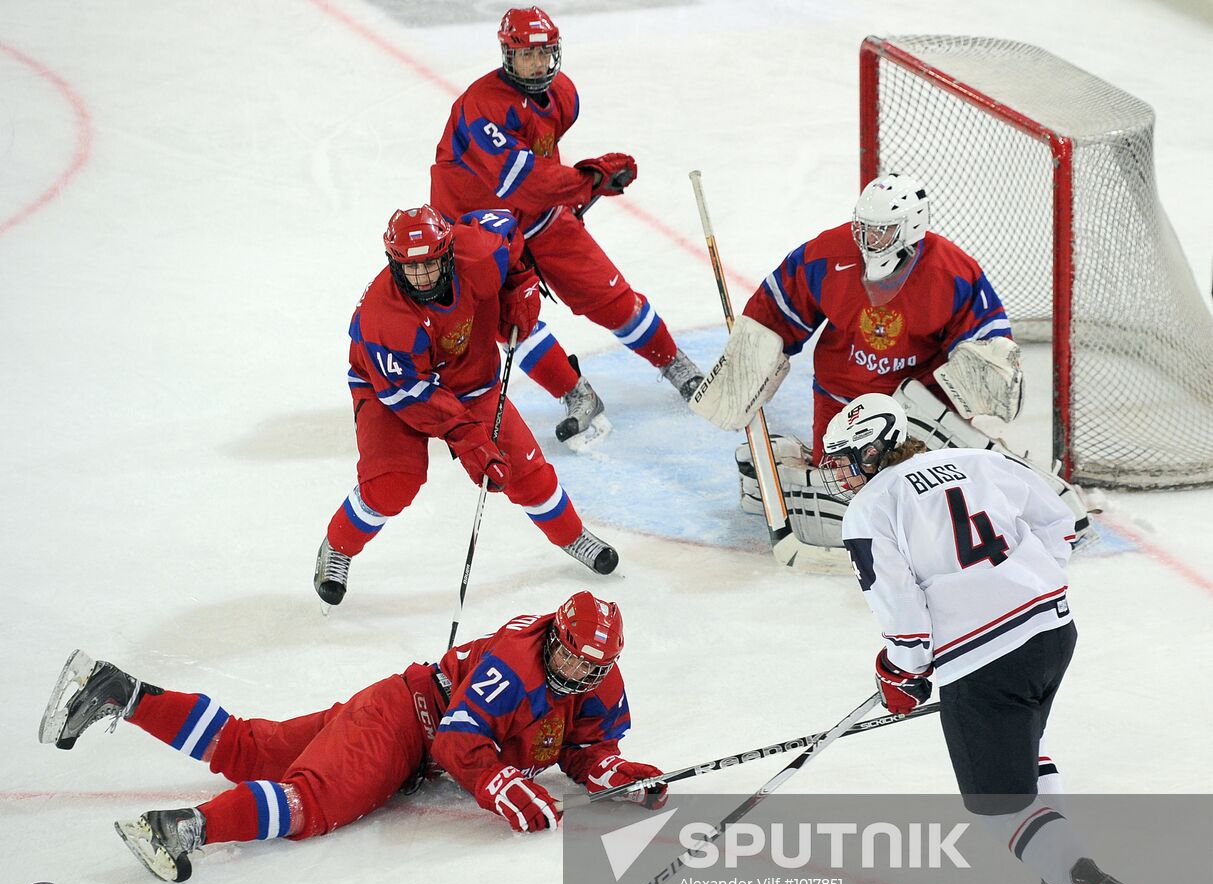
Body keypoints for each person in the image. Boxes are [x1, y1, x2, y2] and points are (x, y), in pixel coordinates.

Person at [819, 392, 1169, 884]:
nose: (838, 471)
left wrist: (902, 672)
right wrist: (1029, 583)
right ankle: (1060, 877)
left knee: (998, 803)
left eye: (843, 458)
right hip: (1053, 632)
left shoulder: (871, 508)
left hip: (986, 663)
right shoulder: (971, 459)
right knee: (1023, 751)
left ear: (872, 449)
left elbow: (901, 610)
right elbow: (1063, 514)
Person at [38, 592, 667, 882]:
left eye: (594, 666)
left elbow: (586, 745)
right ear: (555, 636)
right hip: (405, 727)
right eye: (574, 659)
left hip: (395, 705)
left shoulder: (594, 679)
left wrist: (612, 771)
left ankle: (116, 690)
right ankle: (179, 830)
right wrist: (497, 781)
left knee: (248, 749)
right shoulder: (518, 662)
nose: (580, 673)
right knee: (312, 802)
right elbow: (457, 741)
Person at [691, 173, 1087, 549]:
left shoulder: (949, 271)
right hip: (843, 398)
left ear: (912, 227)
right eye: (863, 227)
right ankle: (776, 463)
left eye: (881, 230)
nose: (868, 238)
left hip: (918, 406)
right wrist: (751, 355)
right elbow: (777, 308)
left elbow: (985, 334)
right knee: (844, 503)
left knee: (935, 501)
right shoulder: (826, 255)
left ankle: (1026, 489)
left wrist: (988, 365)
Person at [313, 204, 618, 607]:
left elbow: (510, 232)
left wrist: (520, 287)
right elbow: (417, 399)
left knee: (527, 474)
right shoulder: (384, 319)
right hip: (392, 392)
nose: (421, 277)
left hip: (473, 378)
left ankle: (573, 535)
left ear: (448, 251)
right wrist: (473, 444)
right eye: (410, 268)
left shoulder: (478, 252)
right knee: (392, 482)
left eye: (430, 264)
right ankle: (338, 548)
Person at [428, 6, 704, 444]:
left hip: (540, 216)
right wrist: (587, 182)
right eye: (527, 55)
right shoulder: (480, 108)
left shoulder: (564, 95)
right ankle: (576, 393)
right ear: (508, 55)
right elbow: (525, 182)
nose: (538, 64)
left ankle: (677, 365)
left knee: (608, 295)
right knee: (511, 320)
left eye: (545, 53)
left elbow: (541, 159)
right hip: (478, 231)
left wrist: (584, 184)